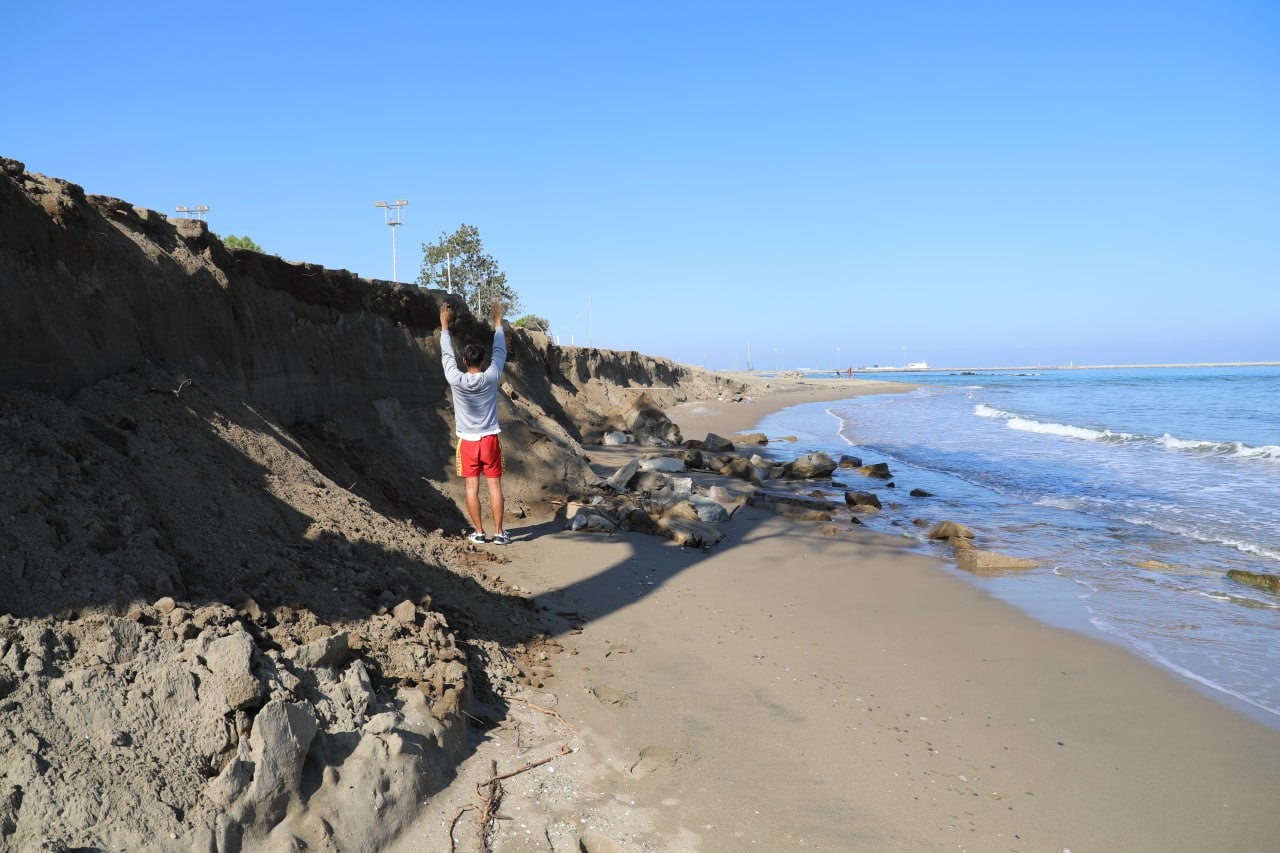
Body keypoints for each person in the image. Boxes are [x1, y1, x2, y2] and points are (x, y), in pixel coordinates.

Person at [439, 298, 510, 545]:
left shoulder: (456, 380)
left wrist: (444, 327)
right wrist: (497, 323)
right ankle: (500, 533)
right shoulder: (492, 376)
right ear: (482, 361)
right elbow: (500, 352)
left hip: (467, 442)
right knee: (495, 488)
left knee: (471, 488)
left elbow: (446, 355)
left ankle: (479, 532)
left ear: (465, 361)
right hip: (489, 439)